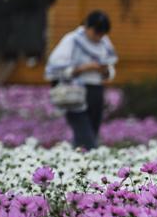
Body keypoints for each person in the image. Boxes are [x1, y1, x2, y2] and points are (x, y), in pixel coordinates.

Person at [44, 10, 118, 150]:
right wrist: (83, 68)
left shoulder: (104, 43)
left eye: (102, 33)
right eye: (96, 32)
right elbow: (56, 66)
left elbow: (111, 68)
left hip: (96, 90)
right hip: (74, 92)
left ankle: (77, 159)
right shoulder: (72, 40)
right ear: (87, 27)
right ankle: (88, 156)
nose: (99, 36)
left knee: (92, 132)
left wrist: (104, 70)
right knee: (86, 137)